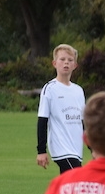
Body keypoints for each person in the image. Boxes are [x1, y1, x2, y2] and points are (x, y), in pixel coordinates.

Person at [36, 44, 86, 174]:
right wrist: (41, 151)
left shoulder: (78, 91)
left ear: (75, 65)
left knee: (70, 183)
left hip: (76, 149)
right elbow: (42, 120)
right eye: (62, 59)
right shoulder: (50, 89)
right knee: (78, 178)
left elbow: (84, 123)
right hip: (61, 148)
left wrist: (93, 148)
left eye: (70, 60)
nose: (66, 63)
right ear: (54, 63)